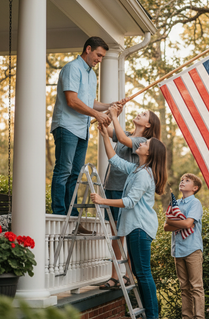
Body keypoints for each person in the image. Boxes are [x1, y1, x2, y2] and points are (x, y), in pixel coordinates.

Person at [91, 123, 167, 319]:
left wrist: (102, 200)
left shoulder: (143, 174)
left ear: (149, 153)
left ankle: (152, 316)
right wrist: (104, 137)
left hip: (140, 228)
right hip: (136, 227)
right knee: (140, 274)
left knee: (143, 274)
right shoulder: (136, 168)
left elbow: (130, 202)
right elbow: (114, 160)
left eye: (146, 143)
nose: (141, 144)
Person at [50, 36, 124, 219]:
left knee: (75, 174)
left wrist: (109, 105)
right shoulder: (72, 68)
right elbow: (72, 101)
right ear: (88, 49)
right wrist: (97, 115)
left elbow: (89, 102)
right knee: (63, 170)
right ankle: (59, 213)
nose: (100, 59)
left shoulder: (91, 74)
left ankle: (71, 214)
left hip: (81, 130)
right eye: (98, 55)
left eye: (102, 57)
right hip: (66, 127)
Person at [99, 106, 161, 290]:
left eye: (144, 114)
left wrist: (115, 115)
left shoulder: (143, 141)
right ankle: (121, 275)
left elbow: (124, 139)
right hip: (110, 186)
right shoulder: (125, 132)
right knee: (114, 233)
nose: (139, 114)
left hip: (122, 190)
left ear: (148, 124)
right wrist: (105, 115)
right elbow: (110, 131)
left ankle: (118, 275)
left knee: (120, 234)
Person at [164, 173, 204, 319]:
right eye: (181, 180)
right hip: (178, 249)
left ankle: (199, 317)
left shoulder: (195, 203)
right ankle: (187, 317)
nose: (182, 182)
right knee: (184, 287)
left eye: (187, 181)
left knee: (196, 287)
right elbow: (165, 227)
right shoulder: (175, 204)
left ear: (194, 188)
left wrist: (173, 222)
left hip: (192, 249)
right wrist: (178, 223)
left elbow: (188, 223)